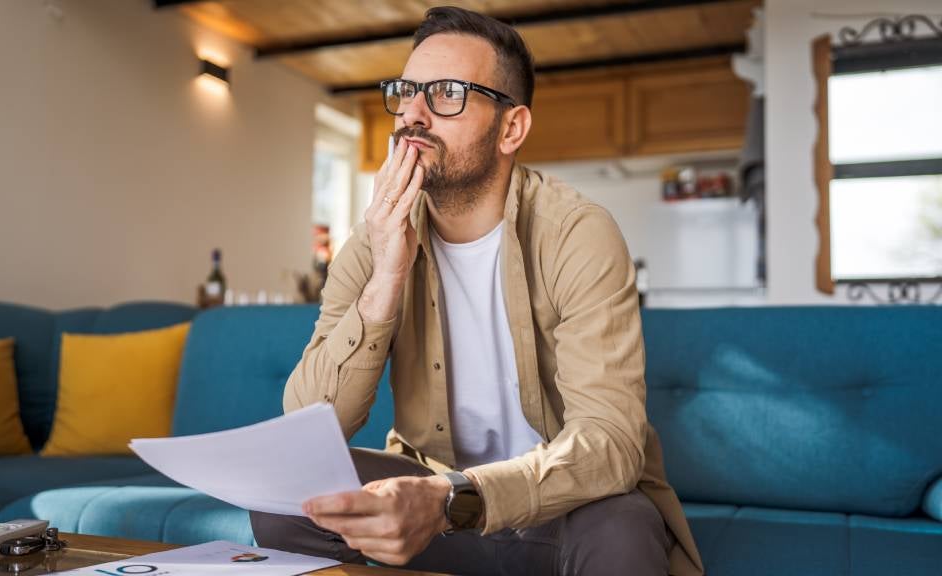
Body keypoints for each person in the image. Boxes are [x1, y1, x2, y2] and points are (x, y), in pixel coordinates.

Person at [250, 6, 703, 576]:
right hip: (426, 497)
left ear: (511, 128)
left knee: (624, 531)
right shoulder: (372, 241)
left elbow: (609, 444)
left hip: (560, 506)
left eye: (446, 93)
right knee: (285, 487)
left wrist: (453, 500)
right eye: (407, 90)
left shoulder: (577, 234)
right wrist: (387, 276)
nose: (413, 113)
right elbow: (310, 424)